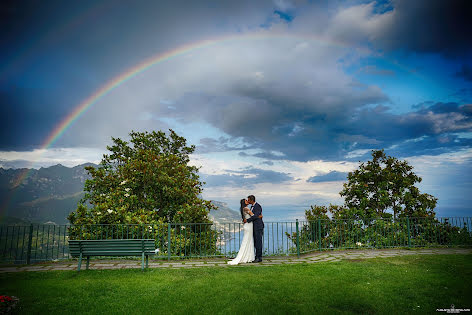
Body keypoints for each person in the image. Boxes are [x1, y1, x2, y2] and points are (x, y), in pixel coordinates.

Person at [227, 199, 256, 265]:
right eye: (246, 200)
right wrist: (259, 215)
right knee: (248, 240)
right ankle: (247, 256)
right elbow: (253, 215)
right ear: (244, 202)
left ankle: (249, 256)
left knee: (248, 240)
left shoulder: (243, 208)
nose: (247, 201)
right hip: (249, 226)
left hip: (248, 225)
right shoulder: (246, 208)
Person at [244, 195, 264, 263]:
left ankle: (259, 257)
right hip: (254, 226)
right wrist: (258, 217)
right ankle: (256, 256)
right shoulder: (251, 207)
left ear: (251, 200)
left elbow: (255, 216)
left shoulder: (257, 206)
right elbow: (256, 216)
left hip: (258, 226)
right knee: (256, 242)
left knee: (258, 242)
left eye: (248, 200)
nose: (248, 201)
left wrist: (248, 220)